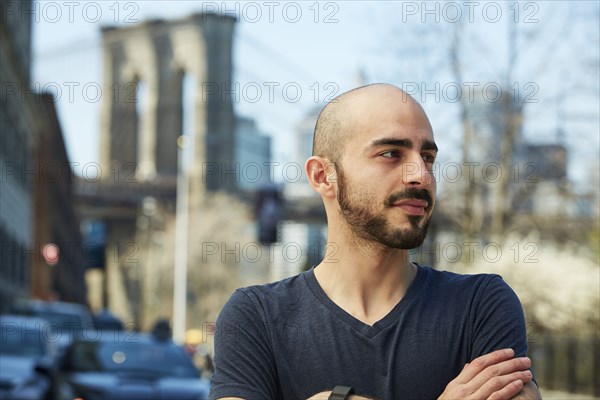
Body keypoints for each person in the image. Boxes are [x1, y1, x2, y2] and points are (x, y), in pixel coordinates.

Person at [208, 84, 541, 400]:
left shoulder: (481, 305)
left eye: (427, 157)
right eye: (391, 153)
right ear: (323, 176)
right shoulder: (255, 317)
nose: (421, 175)